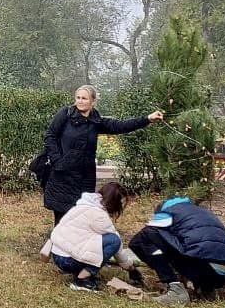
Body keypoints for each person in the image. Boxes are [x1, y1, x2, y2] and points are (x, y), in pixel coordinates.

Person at [42, 85, 164, 226]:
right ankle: (57, 244)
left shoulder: (96, 121)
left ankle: (77, 244)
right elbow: (50, 136)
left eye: (84, 98)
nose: (80, 101)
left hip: (85, 176)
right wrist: (57, 161)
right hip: (63, 174)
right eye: (78, 98)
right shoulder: (65, 114)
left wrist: (148, 119)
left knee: (81, 214)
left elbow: (121, 125)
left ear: (93, 102)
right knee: (62, 216)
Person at [128, 196, 225, 305]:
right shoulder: (200, 212)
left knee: (143, 237)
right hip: (223, 276)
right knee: (195, 245)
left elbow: (150, 232)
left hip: (205, 268)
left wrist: (161, 263)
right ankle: (206, 289)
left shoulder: (168, 211)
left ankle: (175, 288)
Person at [40, 182, 143, 291]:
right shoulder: (100, 216)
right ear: (114, 203)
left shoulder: (84, 204)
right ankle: (82, 280)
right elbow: (117, 247)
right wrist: (131, 269)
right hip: (68, 261)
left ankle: (80, 272)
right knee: (113, 241)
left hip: (57, 255)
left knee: (96, 242)